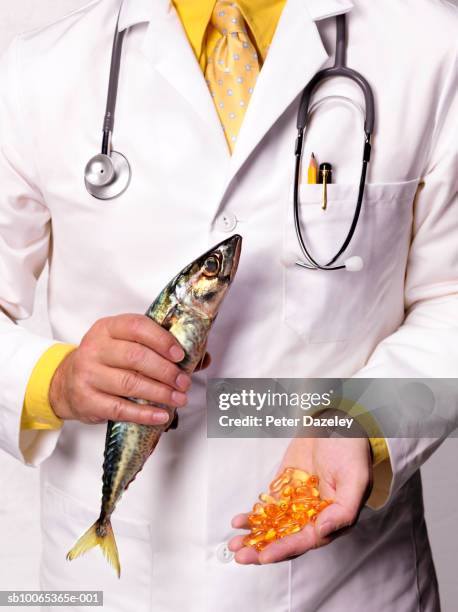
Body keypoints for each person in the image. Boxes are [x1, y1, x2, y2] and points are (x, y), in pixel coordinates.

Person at [0, 0, 456, 610]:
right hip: (116, 587)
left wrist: (367, 423)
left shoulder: (430, 49)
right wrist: (51, 381)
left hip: (348, 586)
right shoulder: (40, 71)